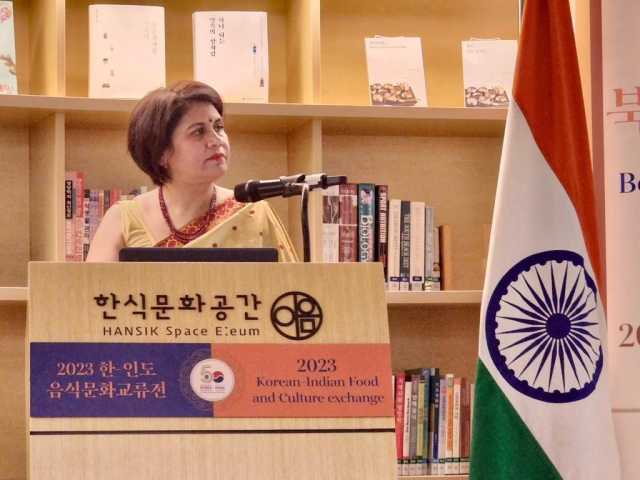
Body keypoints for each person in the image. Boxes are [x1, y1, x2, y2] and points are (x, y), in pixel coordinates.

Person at [86, 80, 298, 262]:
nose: (216, 141)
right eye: (198, 132)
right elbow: (92, 300)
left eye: (219, 127)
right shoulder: (123, 219)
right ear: (161, 153)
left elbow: (294, 296)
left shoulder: (253, 212)